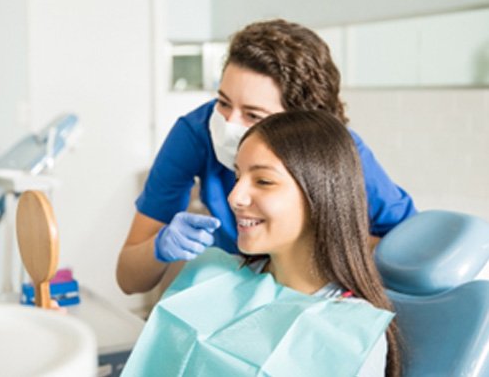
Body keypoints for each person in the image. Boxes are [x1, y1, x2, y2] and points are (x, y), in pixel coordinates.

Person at [116, 19, 416, 294]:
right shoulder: (196, 133)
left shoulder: (339, 153)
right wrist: (160, 246)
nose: (229, 123)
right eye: (222, 102)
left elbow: (413, 256)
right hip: (241, 292)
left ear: (302, 128)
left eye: (253, 114)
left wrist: (332, 243)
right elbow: (129, 279)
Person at [121, 111, 401, 377]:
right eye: (238, 176)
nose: (235, 197)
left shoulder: (353, 333)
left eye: (263, 181)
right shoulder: (209, 276)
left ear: (320, 195)